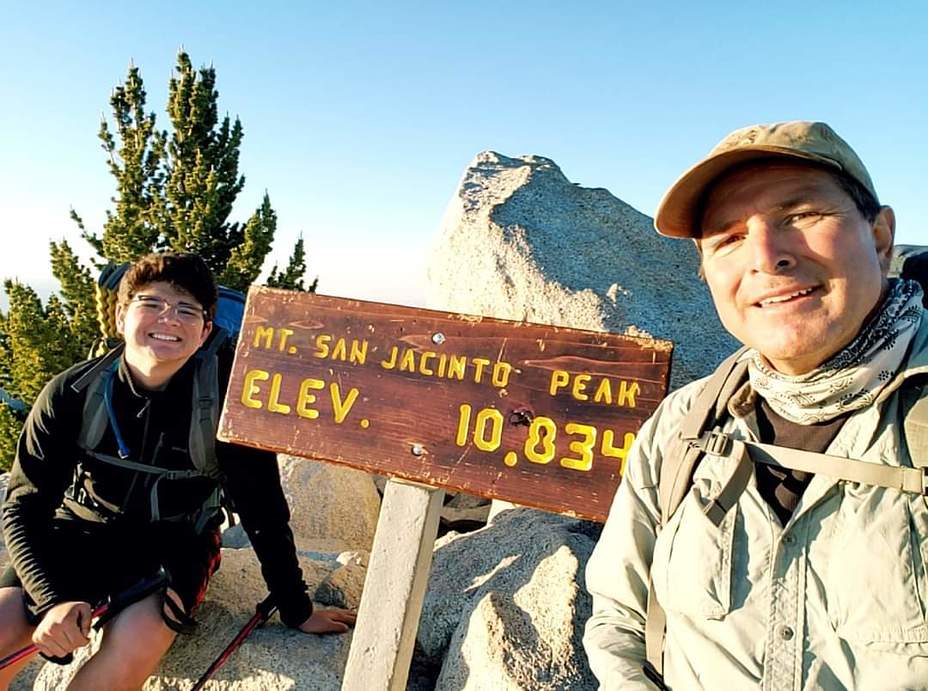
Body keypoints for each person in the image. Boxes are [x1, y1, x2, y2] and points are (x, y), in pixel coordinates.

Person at [583, 121, 928, 689]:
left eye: (800, 215)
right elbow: (619, 615)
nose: (766, 257)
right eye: (728, 237)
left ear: (881, 236)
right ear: (705, 273)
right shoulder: (681, 427)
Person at [0, 252, 356, 690]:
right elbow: (24, 507)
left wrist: (297, 609)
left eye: (187, 310)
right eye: (151, 304)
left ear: (205, 330)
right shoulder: (73, 393)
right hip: (79, 531)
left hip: (175, 546)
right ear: (120, 315)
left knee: (126, 657)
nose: (168, 318)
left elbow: (263, 511)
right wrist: (51, 600)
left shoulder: (227, 408)